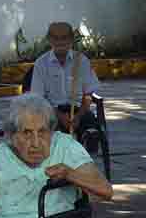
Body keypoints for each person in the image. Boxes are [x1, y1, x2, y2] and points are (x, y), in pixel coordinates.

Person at [30, 22, 101, 151]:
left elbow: (88, 94)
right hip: (52, 111)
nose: (60, 42)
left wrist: (78, 116)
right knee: (48, 131)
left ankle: (87, 149)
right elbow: (39, 98)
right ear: (49, 39)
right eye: (56, 38)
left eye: (64, 38)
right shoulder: (41, 63)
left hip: (79, 110)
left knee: (91, 127)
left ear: (71, 39)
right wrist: (60, 116)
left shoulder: (82, 60)